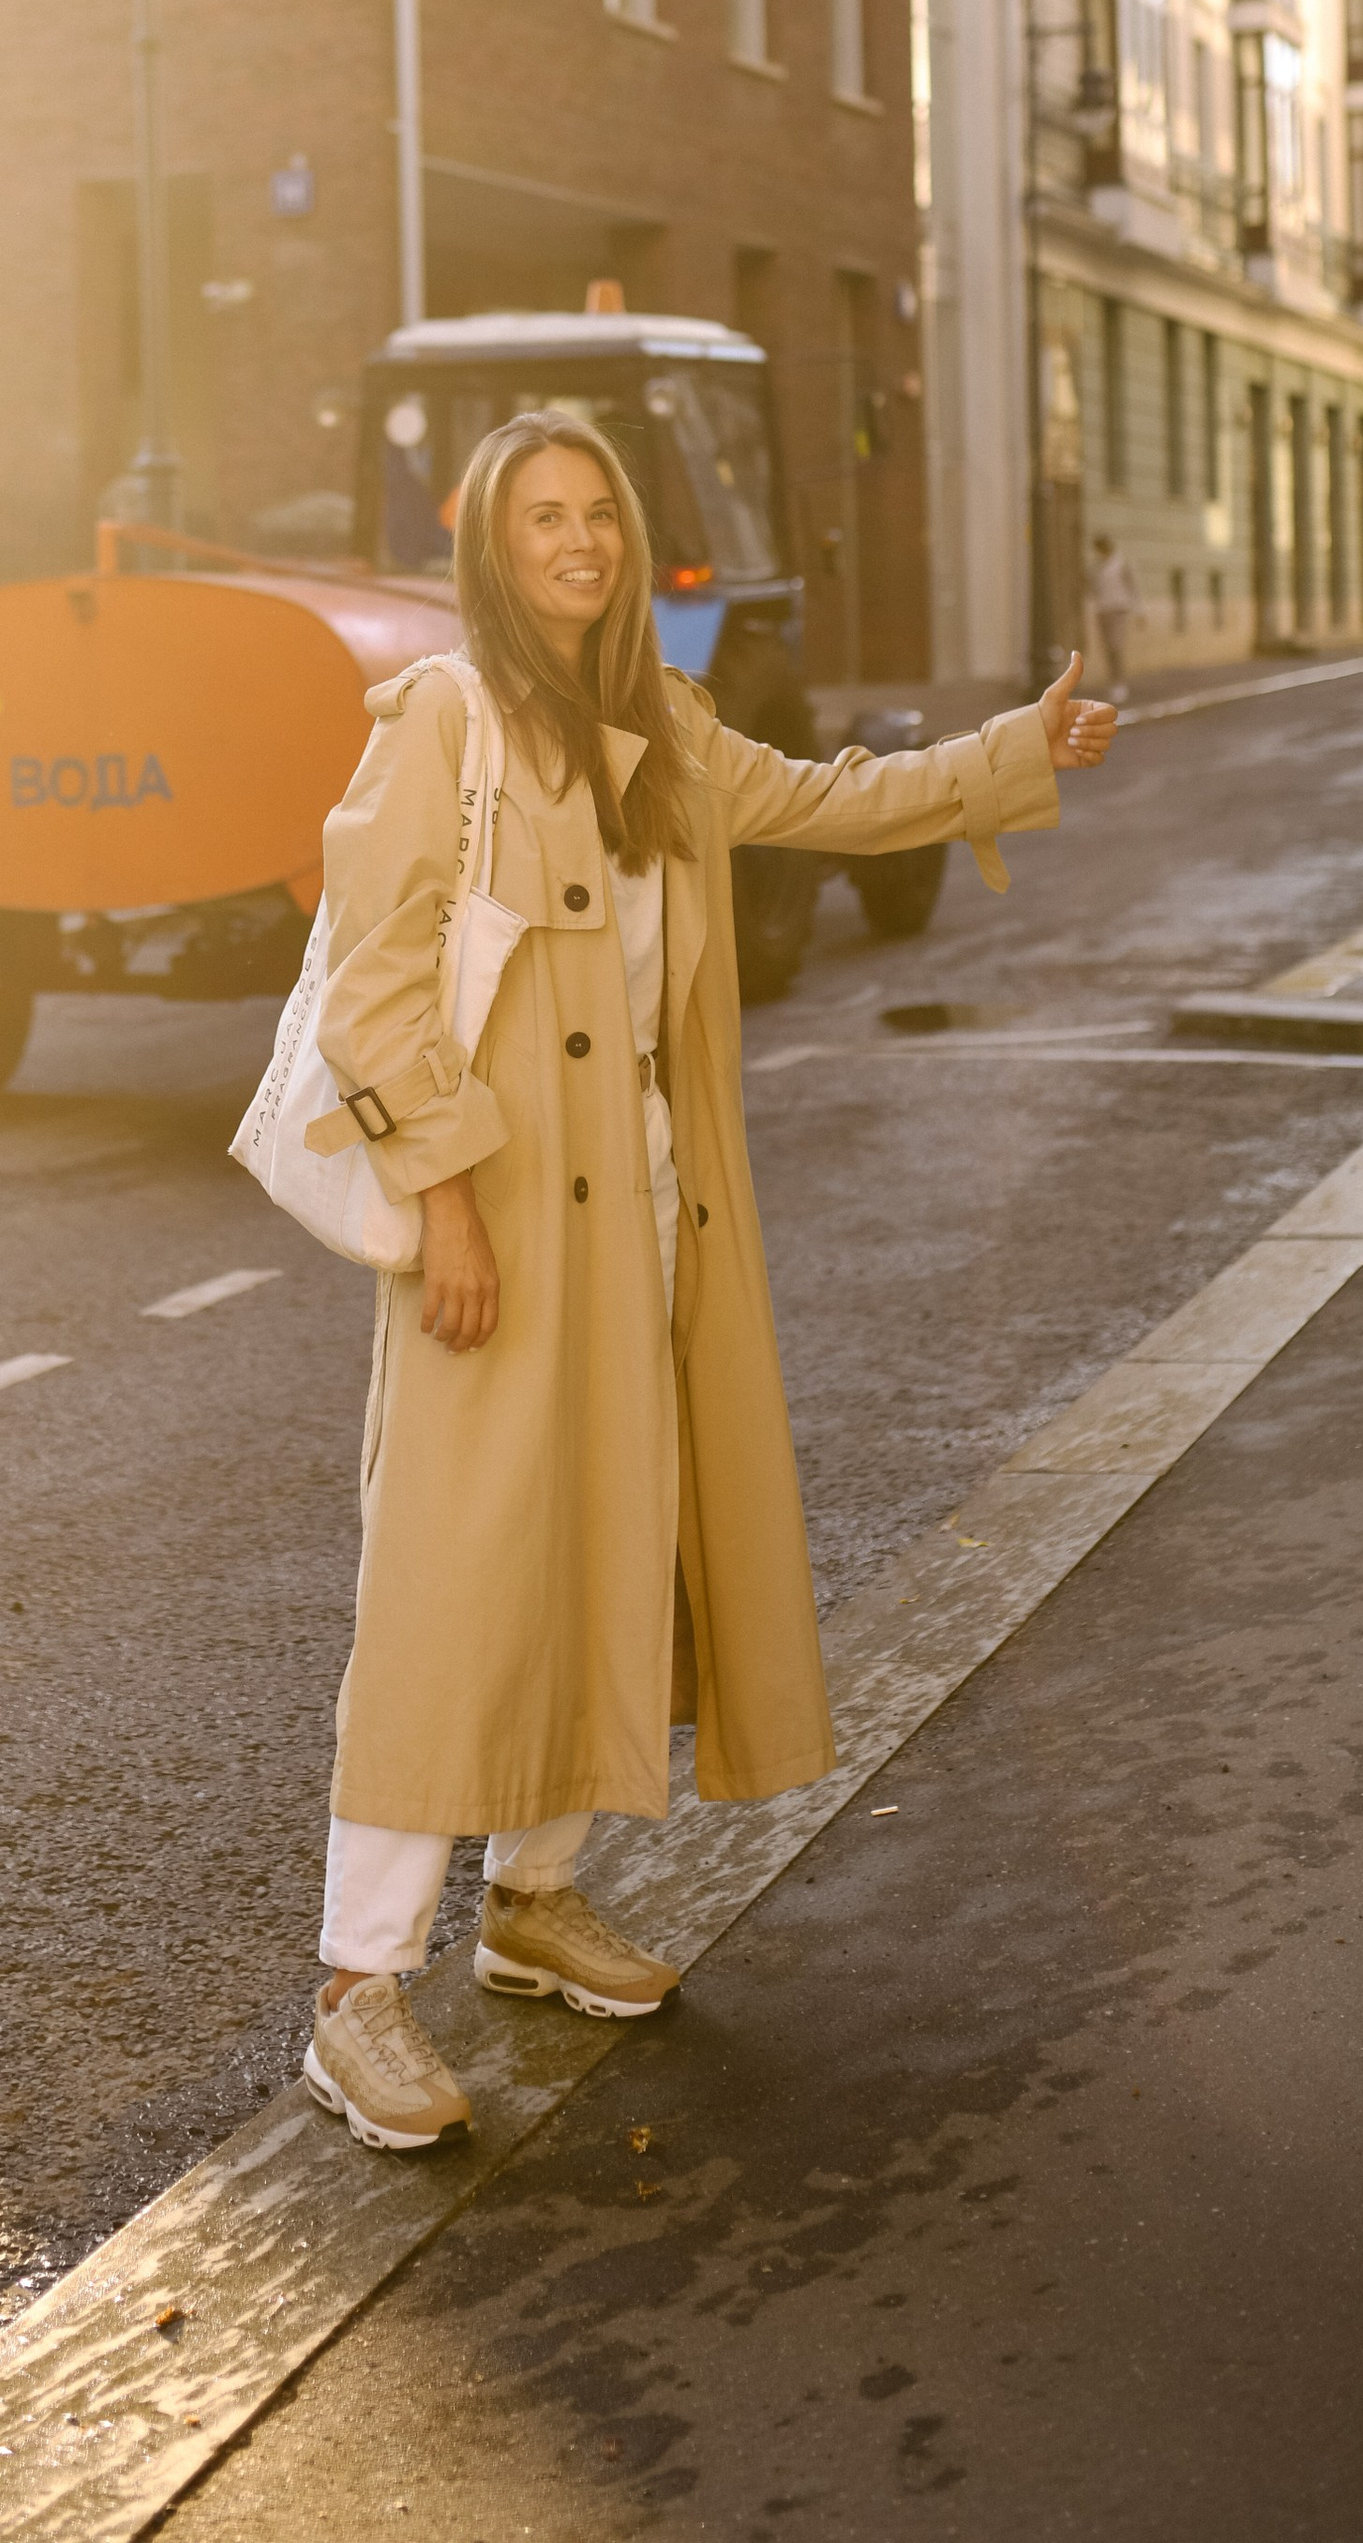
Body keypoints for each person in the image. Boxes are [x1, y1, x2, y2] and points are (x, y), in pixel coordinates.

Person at [298, 409, 1119, 2152]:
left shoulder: (657, 728)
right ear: (491, 548)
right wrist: (445, 1207)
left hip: (649, 1229)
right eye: (546, 519)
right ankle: (356, 1989)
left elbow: (835, 802)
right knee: (449, 1590)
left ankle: (534, 1902)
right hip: (497, 1237)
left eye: (602, 512)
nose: (582, 543)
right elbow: (373, 991)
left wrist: (1011, 748)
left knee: (615, 1558)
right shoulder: (445, 723)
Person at [1087, 533, 1143, 703]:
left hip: (1118, 610)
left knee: (1116, 647)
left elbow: (1133, 588)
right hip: (1103, 611)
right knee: (1107, 649)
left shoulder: (1121, 564)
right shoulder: (1097, 567)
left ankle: (1120, 684)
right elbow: (1093, 588)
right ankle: (1113, 683)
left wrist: (1140, 611)